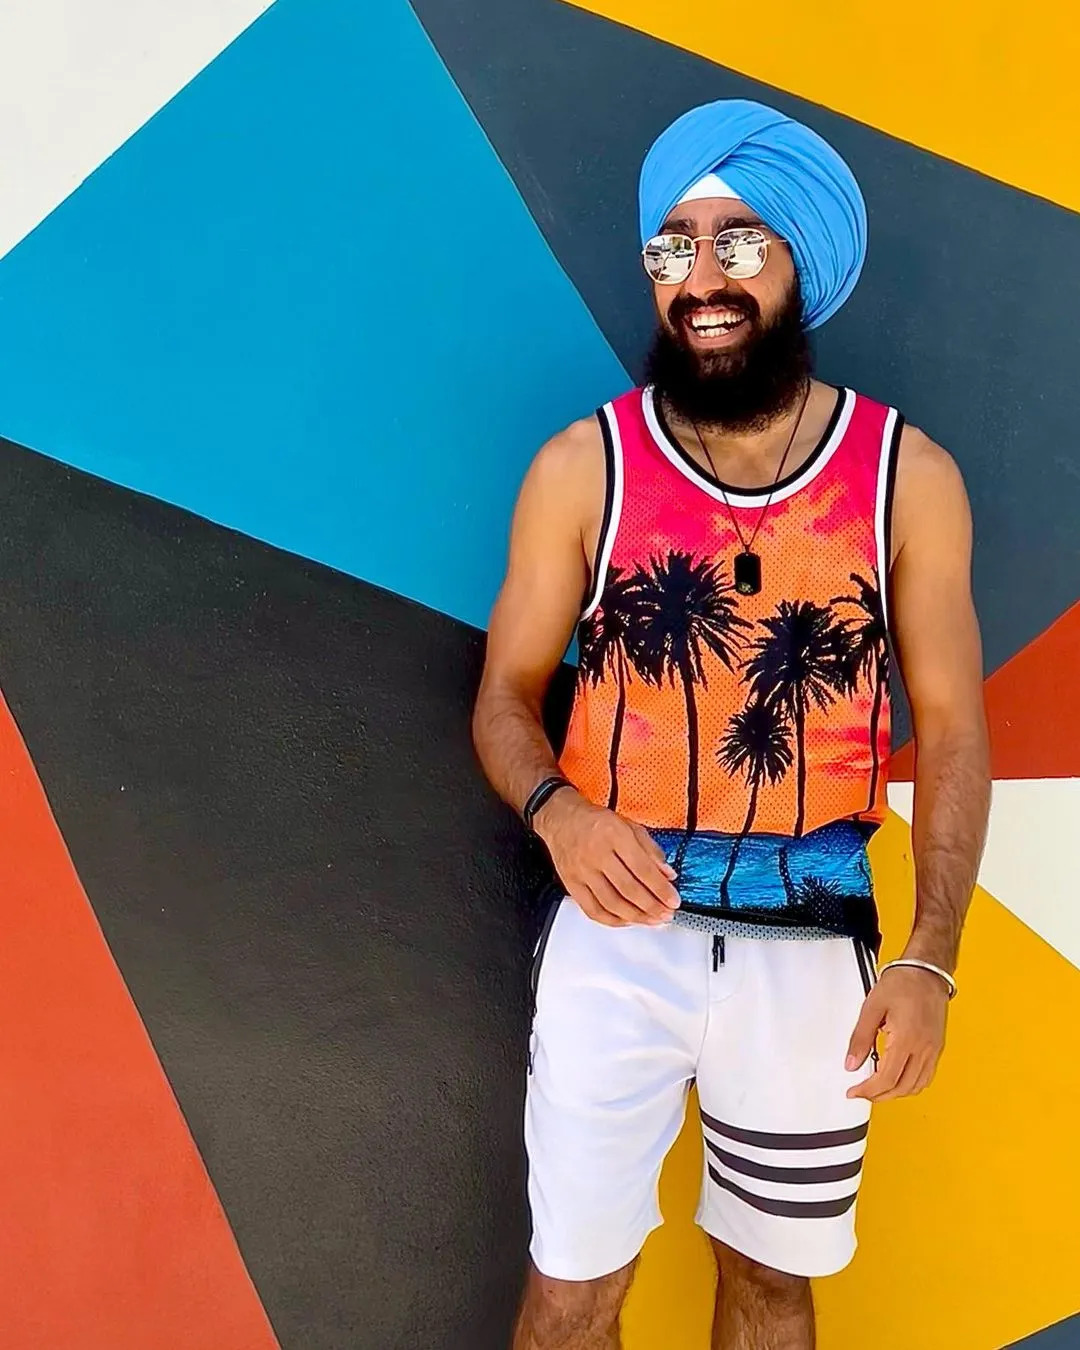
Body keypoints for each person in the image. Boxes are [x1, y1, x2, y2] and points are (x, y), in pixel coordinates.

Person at [472, 98, 990, 1350]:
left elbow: (954, 732)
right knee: (571, 1291)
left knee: (771, 1285)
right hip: (614, 941)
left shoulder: (905, 478)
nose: (699, 279)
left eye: (737, 242)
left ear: (802, 258)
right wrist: (559, 812)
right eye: (672, 247)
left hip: (813, 956)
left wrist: (929, 957)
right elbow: (503, 697)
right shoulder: (583, 470)